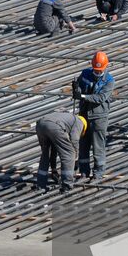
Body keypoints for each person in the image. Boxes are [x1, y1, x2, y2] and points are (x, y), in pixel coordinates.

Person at [72, 51, 114, 182]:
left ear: (105, 67)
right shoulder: (85, 74)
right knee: (83, 144)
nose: (97, 72)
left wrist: (83, 96)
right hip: (84, 115)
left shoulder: (109, 81)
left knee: (98, 145)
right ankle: (84, 172)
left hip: (99, 117)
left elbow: (100, 98)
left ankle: (98, 173)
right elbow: (80, 86)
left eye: (100, 70)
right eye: (95, 70)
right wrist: (76, 89)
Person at [35, 108, 87, 192]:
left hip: (40, 125)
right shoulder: (79, 122)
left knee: (45, 154)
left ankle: (41, 184)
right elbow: (75, 141)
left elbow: (53, 151)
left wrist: (54, 169)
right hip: (54, 126)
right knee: (69, 153)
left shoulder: (66, 118)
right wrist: (76, 158)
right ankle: (67, 185)